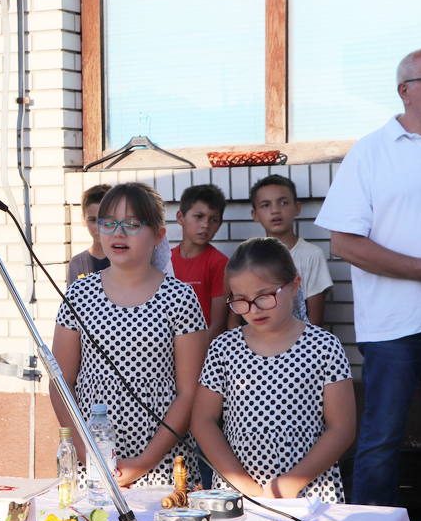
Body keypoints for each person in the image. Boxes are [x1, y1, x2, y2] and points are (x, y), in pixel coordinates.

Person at [314, 47, 421, 521]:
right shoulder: (371, 152)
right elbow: (345, 244)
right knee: (381, 439)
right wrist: (419, 269)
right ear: (405, 91)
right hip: (396, 325)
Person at [50, 182, 208, 490]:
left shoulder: (180, 298)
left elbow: (189, 393)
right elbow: (61, 381)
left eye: (132, 224)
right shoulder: (79, 294)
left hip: (162, 460)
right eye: (108, 223)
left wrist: (144, 462)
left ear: (159, 235)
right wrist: (86, 452)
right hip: (93, 458)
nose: (118, 233)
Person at [191, 238, 356, 503]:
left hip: (308, 491)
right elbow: (203, 420)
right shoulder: (223, 348)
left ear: (294, 285)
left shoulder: (324, 347)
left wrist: (290, 483)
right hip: (239, 492)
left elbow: (341, 428)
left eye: (265, 296)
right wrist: (244, 485)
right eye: (241, 300)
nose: (254, 309)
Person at [250, 175, 333, 326]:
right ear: (255, 215)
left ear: (297, 208)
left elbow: (315, 321)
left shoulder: (312, 255)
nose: (275, 210)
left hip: (301, 339)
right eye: (266, 205)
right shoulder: (249, 257)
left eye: (283, 203)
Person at [171, 184, 229, 343]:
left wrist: (196, 354)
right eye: (199, 216)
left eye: (213, 220)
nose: (206, 225)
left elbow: (218, 325)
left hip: (203, 350)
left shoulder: (219, 263)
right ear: (180, 217)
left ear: (219, 224)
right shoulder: (165, 260)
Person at [67, 184, 111, 284]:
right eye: (93, 220)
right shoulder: (77, 263)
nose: (99, 226)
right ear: (83, 220)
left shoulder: (125, 259)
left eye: (105, 220)